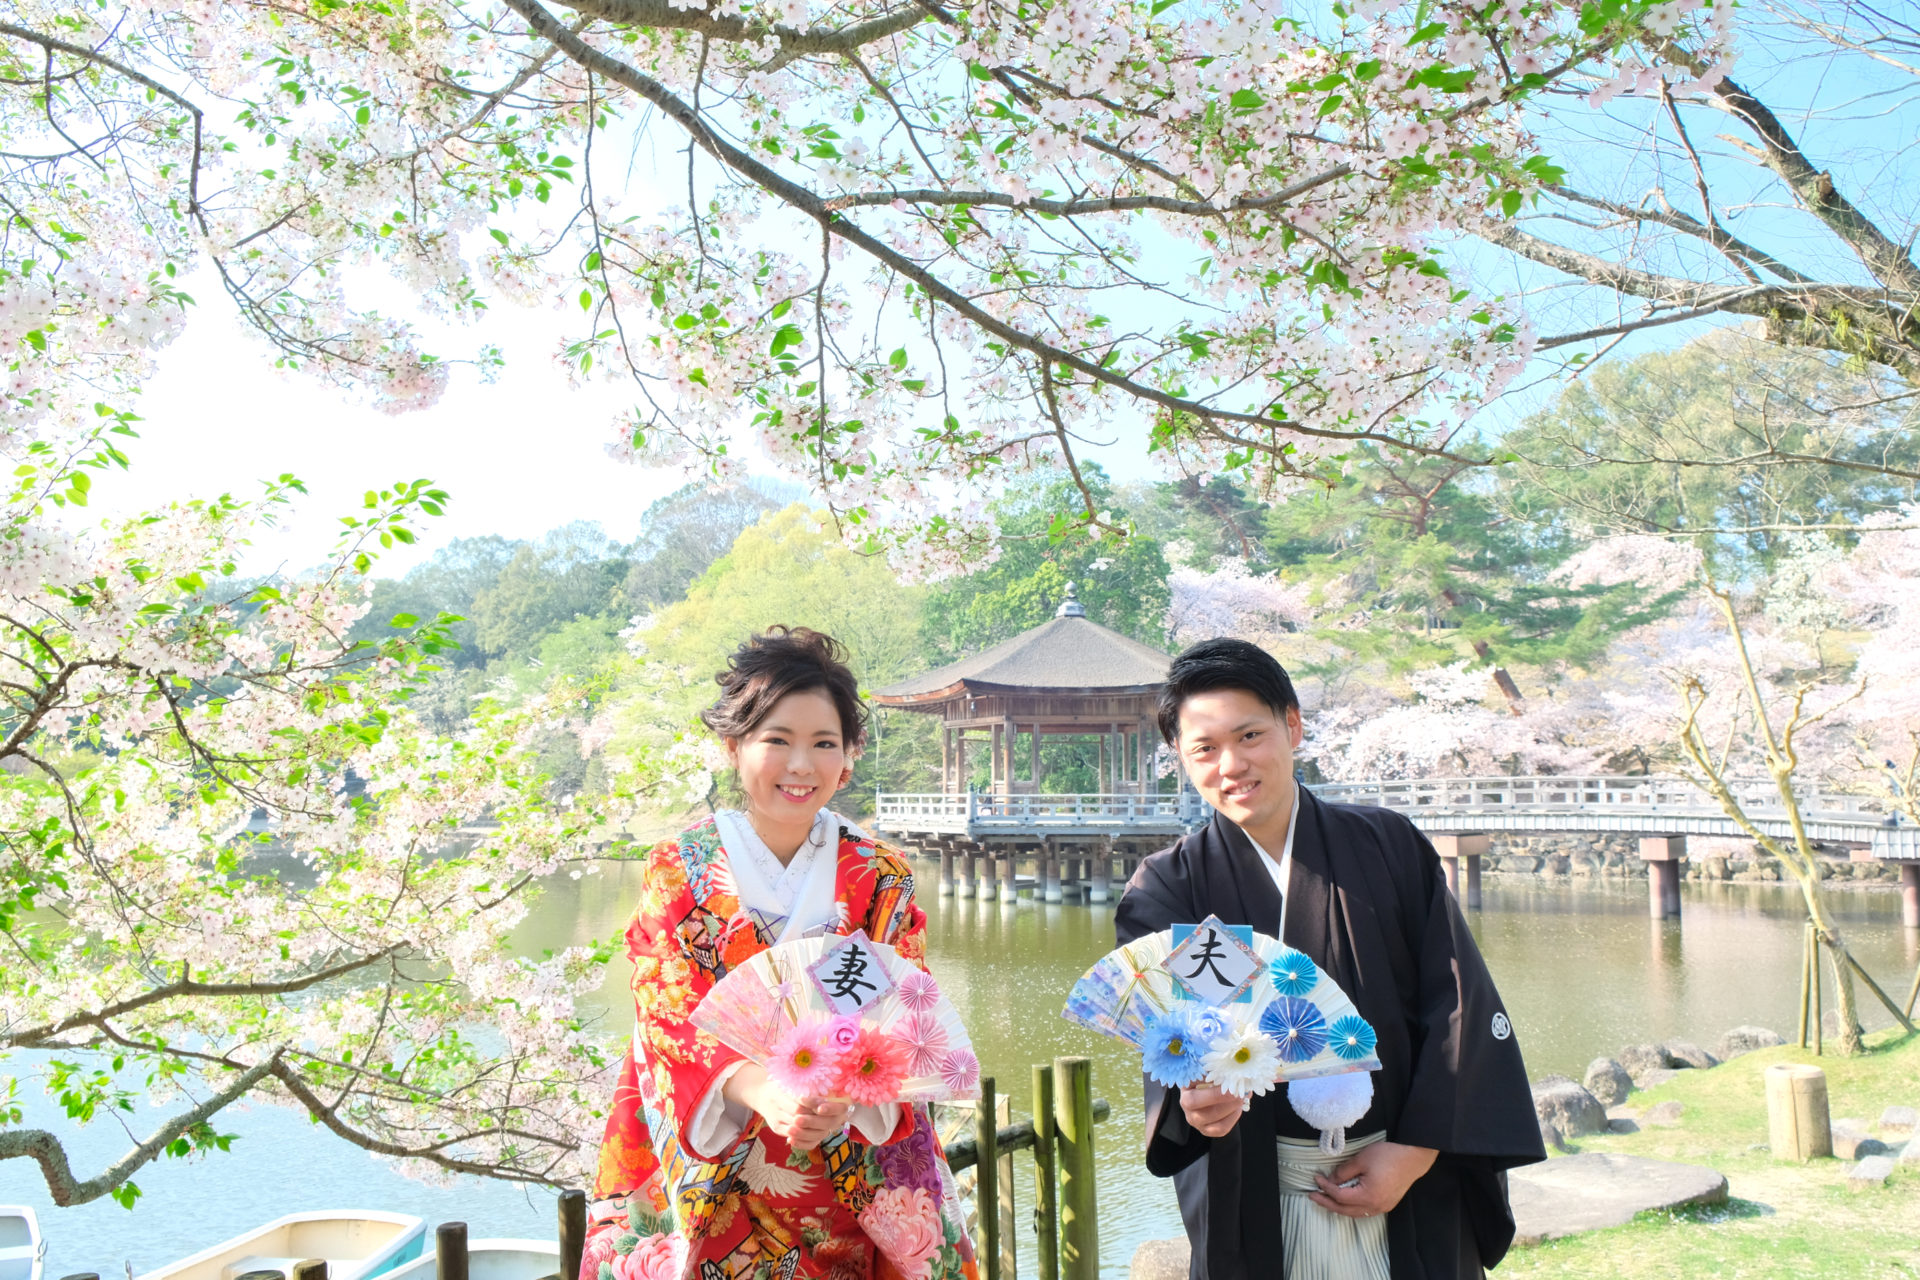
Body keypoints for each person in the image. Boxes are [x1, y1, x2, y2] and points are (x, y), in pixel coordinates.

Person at [1115, 638, 1544, 1280]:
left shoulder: (1388, 848)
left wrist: (1415, 1153)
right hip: (1257, 1190)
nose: (1231, 764)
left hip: (1405, 1174)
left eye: (1250, 735)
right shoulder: (1171, 889)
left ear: (1292, 725)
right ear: (1180, 757)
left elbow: (1456, 1005)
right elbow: (1190, 1037)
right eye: (1204, 748)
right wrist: (1199, 1102)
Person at [588, 626, 978, 1280]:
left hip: (844, 1155)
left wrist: (849, 1094)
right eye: (777, 740)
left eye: (824, 743)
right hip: (718, 1150)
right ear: (734, 747)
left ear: (848, 757)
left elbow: (903, 1012)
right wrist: (759, 1088)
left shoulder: (880, 877)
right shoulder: (678, 871)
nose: (802, 766)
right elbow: (665, 1015)